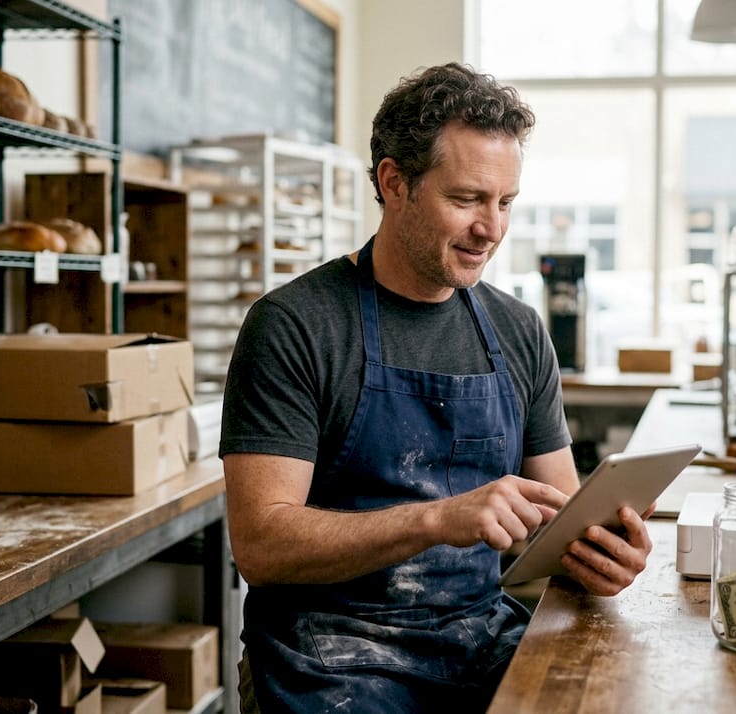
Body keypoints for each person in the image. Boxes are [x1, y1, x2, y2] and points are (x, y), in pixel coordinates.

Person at [219, 62, 655, 713]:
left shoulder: (518, 330)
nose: (492, 228)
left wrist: (602, 555)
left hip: (480, 641)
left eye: (505, 202)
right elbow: (261, 544)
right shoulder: (296, 325)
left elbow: (560, 521)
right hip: (331, 658)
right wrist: (434, 519)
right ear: (395, 183)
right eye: (466, 199)